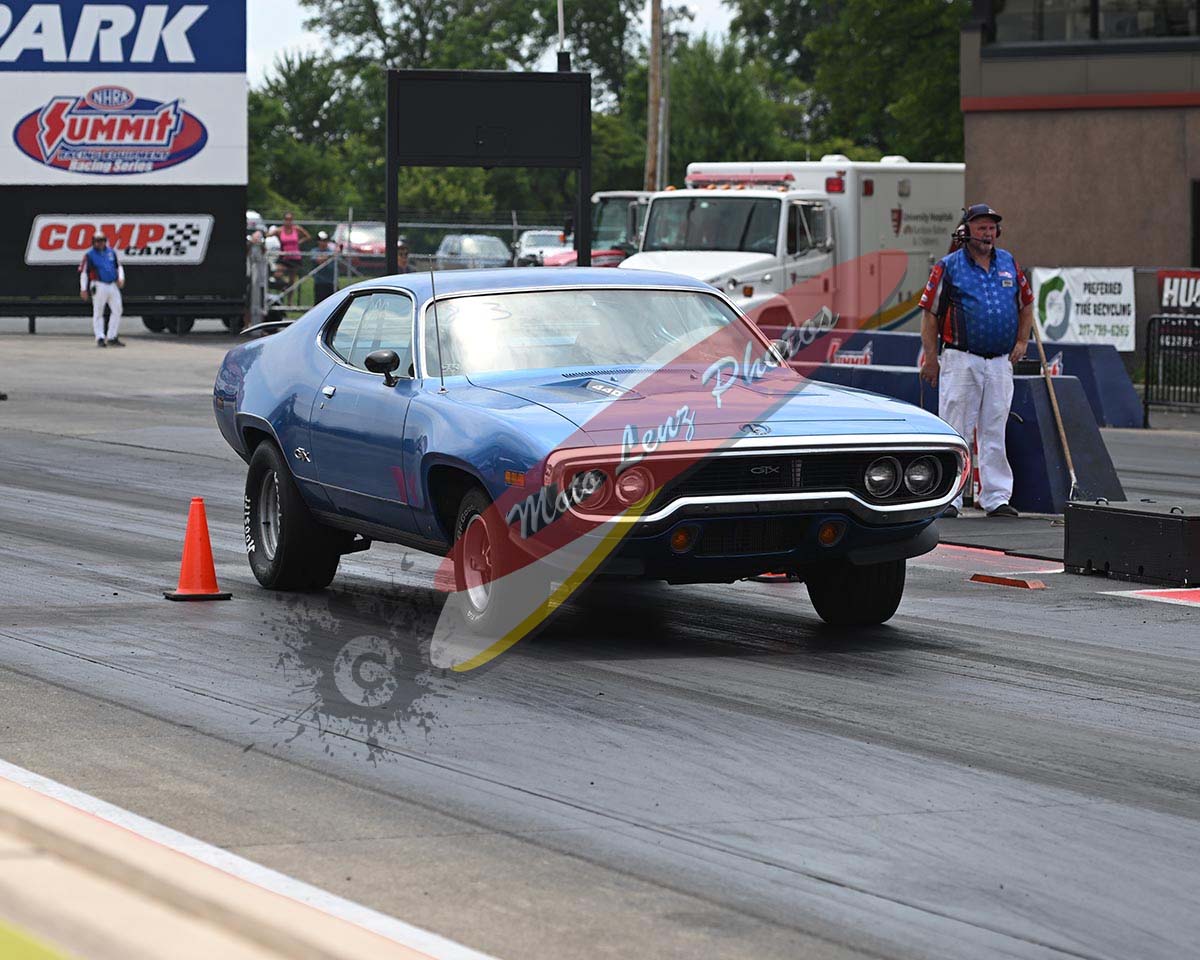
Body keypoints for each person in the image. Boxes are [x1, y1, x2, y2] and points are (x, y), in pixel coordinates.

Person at [919, 203, 1033, 518]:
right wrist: (931, 358)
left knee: (995, 428)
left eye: (992, 227)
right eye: (981, 227)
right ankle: (949, 497)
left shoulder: (1009, 262)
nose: (988, 233)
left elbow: (1026, 304)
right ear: (966, 231)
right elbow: (929, 314)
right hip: (961, 358)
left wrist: (1022, 341)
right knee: (956, 428)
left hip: (999, 361)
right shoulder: (948, 266)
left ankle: (996, 497)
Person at [79, 232, 125, 347]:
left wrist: (120, 278)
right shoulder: (89, 255)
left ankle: (112, 336)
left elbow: (118, 266)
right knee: (98, 311)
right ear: (93, 242)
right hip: (98, 284)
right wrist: (83, 288)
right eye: (98, 241)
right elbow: (84, 272)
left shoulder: (111, 252)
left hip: (112, 284)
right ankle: (100, 337)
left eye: (103, 240)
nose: (100, 243)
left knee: (118, 310)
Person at [268, 212, 310, 304]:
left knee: (292, 280)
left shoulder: (297, 229)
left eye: (290, 220)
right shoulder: (280, 230)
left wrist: (299, 242)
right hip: (284, 256)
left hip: (295, 257)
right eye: (287, 219)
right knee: (278, 272)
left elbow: (307, 236)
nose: (288, 222)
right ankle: (283, 286)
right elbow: (268, 235)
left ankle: (289, 302)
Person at [312, 231, 337, 303]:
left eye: (325, 240)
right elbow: (318, 260)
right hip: (320, 282)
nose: (323, 243)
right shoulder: (314, 251)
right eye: (321, 241)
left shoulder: (331, 251)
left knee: (333, 302)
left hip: (331, 282)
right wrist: (329, 256)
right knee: (320, 302)